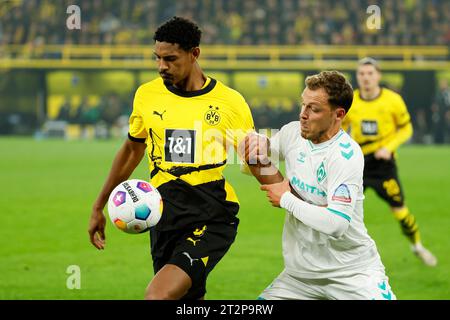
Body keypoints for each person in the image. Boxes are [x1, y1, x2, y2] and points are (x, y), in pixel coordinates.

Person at [88, 16, 255, 300]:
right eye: (157, 58)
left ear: (195, 54)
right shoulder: (147, 95)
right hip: (163, 214)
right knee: (187, 299)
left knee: (158, 296)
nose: (162, 66)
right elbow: (132, 150)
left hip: (211, 211)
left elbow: (256, 158)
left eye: (170, 58)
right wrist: (98, 205)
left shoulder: (230, 102)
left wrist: (285, 190)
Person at [243, 71, 396, 300]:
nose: (303, 115)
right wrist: (258, 144)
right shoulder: (292, 133)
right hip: (299, 277)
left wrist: (285, 199)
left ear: (338, 114)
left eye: (313, 109)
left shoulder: (346, 155)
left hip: (352, 273)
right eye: (303, 105)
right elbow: (265, 152)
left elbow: (336, 224)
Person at [342, 57, 437, 266]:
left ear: (378, 75)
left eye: (370, 74)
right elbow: (339, 127)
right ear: (357, 77)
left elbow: (406, 128)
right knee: (342, 210)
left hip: (383, 166)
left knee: (400, 210)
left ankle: (417, 246)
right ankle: (337, 258)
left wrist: (389, 147)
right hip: (358, 165)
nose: (366, 78)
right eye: (362, 74)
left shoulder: (393, 100)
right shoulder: (351, 100)